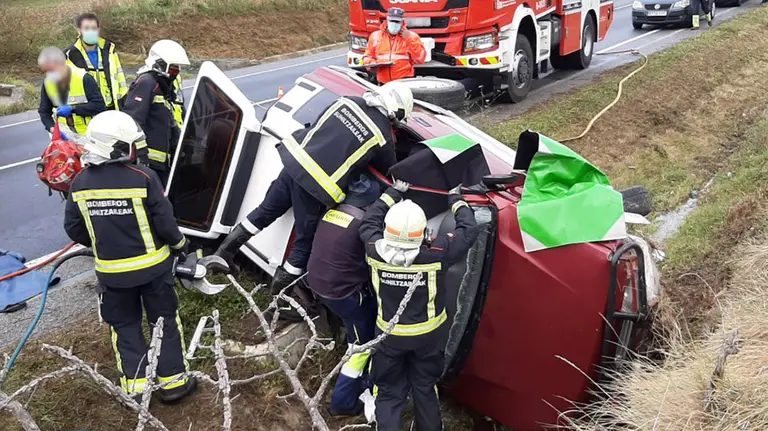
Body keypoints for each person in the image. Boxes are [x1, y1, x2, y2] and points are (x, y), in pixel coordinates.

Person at [213, 82, 414, 296]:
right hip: (315, 186)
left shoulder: (347, 101)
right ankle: (279, 298)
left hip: (293, 164)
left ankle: (223, 254)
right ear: (396, 112)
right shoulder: (382, 135)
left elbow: (323, 128)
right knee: (304, 240)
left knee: (264, 212)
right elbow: (389, 169)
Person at [63, 110, 196, 403]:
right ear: (118, 147)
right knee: (165, 322)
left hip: (111, 275)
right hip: (154, 271)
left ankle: (136, 390)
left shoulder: (80, 183)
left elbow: (74, 228)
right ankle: (174, 384)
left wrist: (103, 242)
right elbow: (166, 223)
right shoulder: (144, 177)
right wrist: (180, 246)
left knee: (125, 327)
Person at [359, 180, 478, 431]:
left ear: (387, 230)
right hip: (427, 337)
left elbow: (368, 222)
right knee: (424, 386)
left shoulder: (373, 250)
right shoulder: (437, 253)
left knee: (389, 391)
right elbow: (468, 230)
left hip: (389, 336)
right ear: (424, 234)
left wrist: (393, 193)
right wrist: (456, 200)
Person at [306, 174, 380, 416]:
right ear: (369, 205)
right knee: (363, 345)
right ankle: (343, 403)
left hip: (318, 284)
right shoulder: (363, 225)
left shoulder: (333, 212)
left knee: (360, 324)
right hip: (344, 294)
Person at [123, 39, 190, 187]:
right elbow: (133, 120)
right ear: (159, 63)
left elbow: (167, 120)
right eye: (173, 67)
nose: (176, 71)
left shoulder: (163, 86)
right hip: (149, 163)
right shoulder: (147, 83)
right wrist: (140, 155)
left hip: (162, 163)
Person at [65, 13, 129, 111]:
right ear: (79, 31)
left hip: (111, 109)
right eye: (86, 28)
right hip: (86, 111)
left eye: (94, 28)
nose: (91, 31)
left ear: (98, 30)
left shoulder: (109, 51)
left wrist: (124, 105)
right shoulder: (70, 55)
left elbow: (121, 80)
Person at [37, 46, 107, 136]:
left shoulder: (84, 78)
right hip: (64, 137)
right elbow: (44, 111)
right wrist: (52, 128)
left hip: (89, 135)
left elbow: (99, 106)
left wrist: (73, 109)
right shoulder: (48, 83)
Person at [363, 7, 427, 84]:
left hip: (404, 81)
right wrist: (371, 64)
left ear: (402, 22)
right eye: (392, 21)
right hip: (383, 83)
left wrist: (409, 39)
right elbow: (367, 56)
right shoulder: (375, 36)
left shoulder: (412, 36)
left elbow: (420, 59)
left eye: (397, 22)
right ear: (387, 20)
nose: (394, 24)